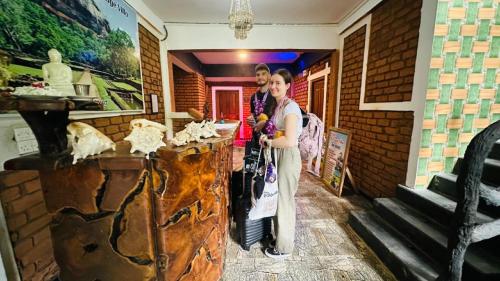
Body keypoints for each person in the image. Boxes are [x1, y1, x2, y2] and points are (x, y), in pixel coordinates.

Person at [259, 68, 302, 259]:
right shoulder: (279, 105)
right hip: (279, 155)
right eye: (272, 83)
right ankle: (280, 238)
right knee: (279, 198)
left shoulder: (290, 107)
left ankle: (284, 248)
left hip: (288, 156)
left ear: (287, 86)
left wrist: (269, 142)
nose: (274, 86)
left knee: (285, 201)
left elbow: (290, 140)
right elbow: (280, 134)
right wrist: (267, 136)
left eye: (278, 83)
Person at [247, 63, 276, 146]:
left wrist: (265, 123)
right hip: (256, 139)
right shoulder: (253, 97)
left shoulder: (275, 95)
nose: (260, 77)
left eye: (263, 74)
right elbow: (253, 114)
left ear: (269, 76)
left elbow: (281, 120)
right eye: (258, 75)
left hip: (272, 141)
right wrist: (250, 119)